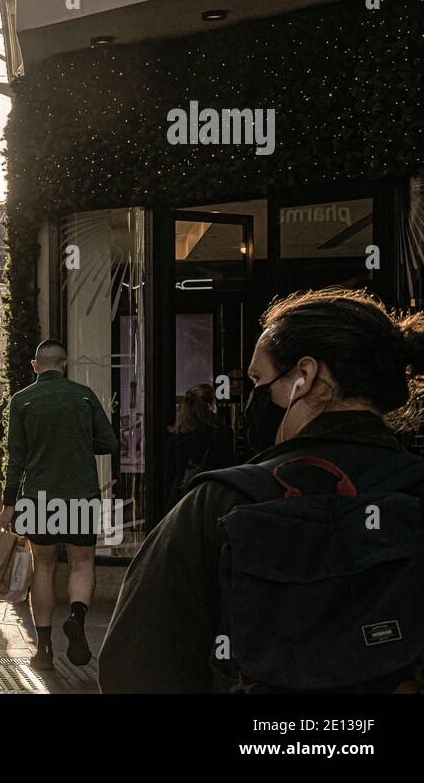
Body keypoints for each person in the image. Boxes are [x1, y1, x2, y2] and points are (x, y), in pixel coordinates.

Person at [100, 289, 424, 692]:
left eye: (258, 380)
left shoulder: (217, 503)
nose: (253, 398)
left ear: (303, 377)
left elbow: (137, 665)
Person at [1, 340, 119, 671]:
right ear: (64, 364)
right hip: (80, 493)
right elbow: (109, 442)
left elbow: (16, 459)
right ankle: (77, 619)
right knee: (82, 563)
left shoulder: (21, 400)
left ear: (36, 365)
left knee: (45, 566)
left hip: (38, 496)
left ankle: (44, 649)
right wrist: (81, 443)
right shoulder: (83, 396)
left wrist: (9, 503)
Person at [164, 382, 234, 509]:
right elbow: (227, 470)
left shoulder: (177, 435)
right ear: (209, 405)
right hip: (209, 498)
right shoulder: (222, 434)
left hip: (179, 499)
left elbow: (170, 474)